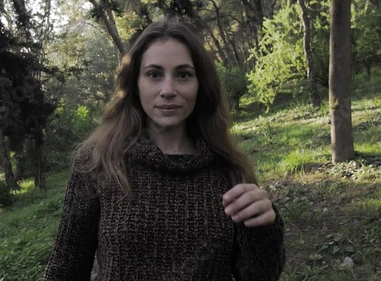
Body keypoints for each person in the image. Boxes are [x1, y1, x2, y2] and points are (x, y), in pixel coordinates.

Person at [43, 18, 285, 281]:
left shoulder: (228, 168)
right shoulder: (98, 161)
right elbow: (65, 270)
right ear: (135, 84)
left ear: (200, 84)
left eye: (183, 75)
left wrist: (264, 226)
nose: (168, 90)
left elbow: (259, 275)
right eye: (154, 74)